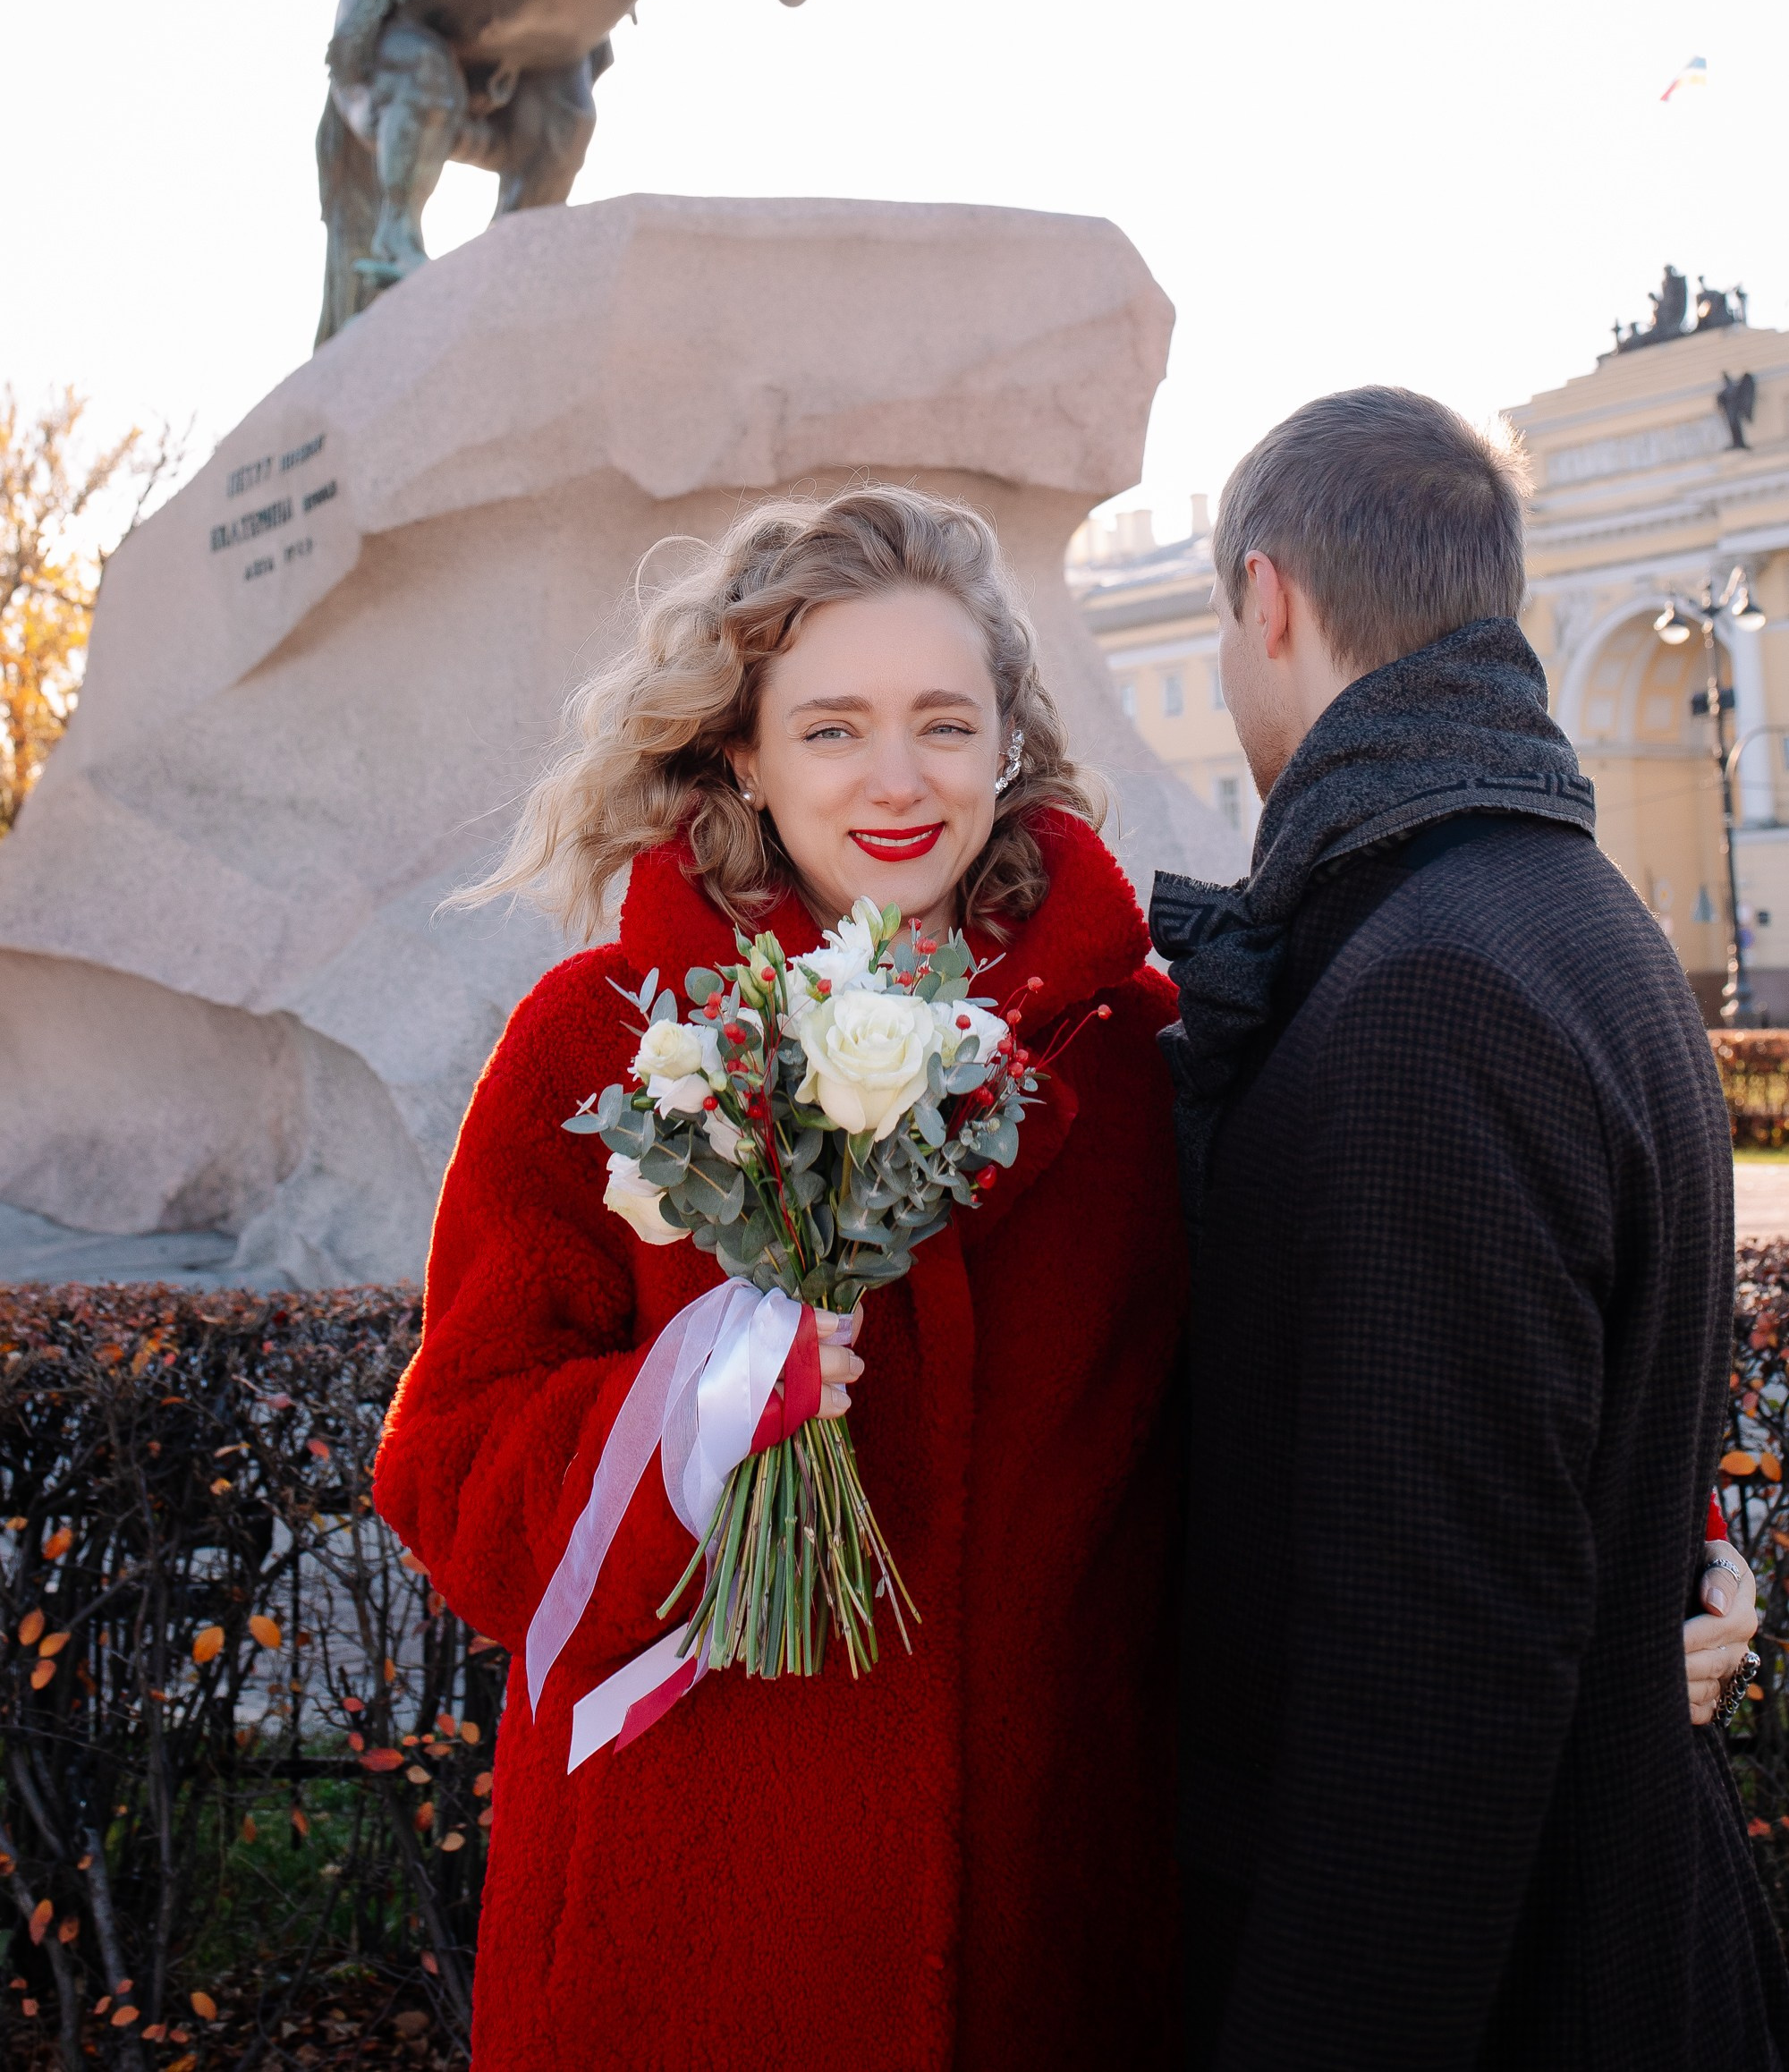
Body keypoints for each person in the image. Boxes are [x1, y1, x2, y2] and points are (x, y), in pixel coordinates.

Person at [373, 488, 1190, 2069]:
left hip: (1053, 1937)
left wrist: (1660, 1553)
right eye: (832, 730)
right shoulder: (594, 1044)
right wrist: (692, 1413)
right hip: (682, 1942)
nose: (898, 781)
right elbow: (449, 1467)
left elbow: (1343, 1366)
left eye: (946, 723)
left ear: (1009, 743)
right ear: (741, 752)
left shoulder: (1138, 1060)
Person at [1151, 388, 1788, 2069]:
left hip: (1518, 1990)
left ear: (1267, 601)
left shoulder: (1432, 988)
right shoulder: (1573, 914)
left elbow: (1430, 1688)